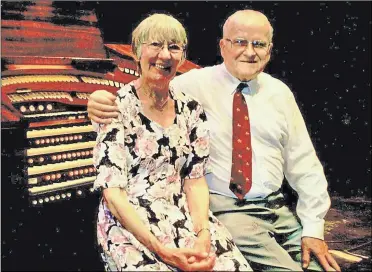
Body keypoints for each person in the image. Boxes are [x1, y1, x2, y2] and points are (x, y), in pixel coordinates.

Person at [88, 10, 341, 272]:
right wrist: (95, 99)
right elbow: (146, 82)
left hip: (276, 210)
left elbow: (305, 163)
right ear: (223, 46)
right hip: (226, 210)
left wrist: (313, 228)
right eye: (240, 42)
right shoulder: (190, 84)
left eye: (259, 44)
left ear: (269, 50)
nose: (250, 52)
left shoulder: (274, 94)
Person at [92, 13, 251, 272]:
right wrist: (162, 251)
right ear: (135, 52)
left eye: (174, 47)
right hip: (129, 224)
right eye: (155, 44)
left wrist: (202, 233)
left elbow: (194, 180)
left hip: (182, 212)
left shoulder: (191, 109)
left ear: (182, 57)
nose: (165, 55)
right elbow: (113, 196)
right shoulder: (115, 108)